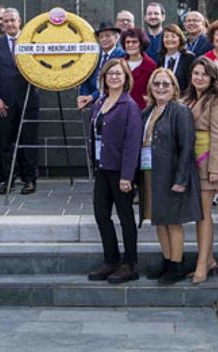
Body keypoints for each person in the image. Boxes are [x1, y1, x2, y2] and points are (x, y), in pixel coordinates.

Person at [140, 67, 200, 285]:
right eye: (157, 84)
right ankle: (167, 261)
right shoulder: (148, 111)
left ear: (174, 87)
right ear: (150, 87)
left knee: (173, 221)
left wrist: (181, 179)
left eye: (166, 84)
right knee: (159, 220)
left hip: (171, 174)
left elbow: (187, 147)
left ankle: (177, 265)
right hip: (151, 173)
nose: (161, 88)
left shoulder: (180, 111)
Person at [86, 58, 143, 284]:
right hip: (102, 169)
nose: (114, 77)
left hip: (121, 172)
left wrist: (127, 176)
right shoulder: (99, 103)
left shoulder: (129, 106)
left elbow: (132, 143)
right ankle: (111, 260)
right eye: (110, 74)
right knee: (101, 215)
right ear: (104, 78)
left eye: (119, 73)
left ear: (126, 77)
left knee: (125, 218)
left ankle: (129, 264)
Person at [182, 57, 218, 283]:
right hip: (189, 162)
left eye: (204, 74)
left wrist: (216, 167)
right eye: (196, 73)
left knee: (204, 213)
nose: (199, 77)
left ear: (211, 78)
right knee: (198, 213)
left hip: (208, 161)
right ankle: (208, 259)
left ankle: (203, 263)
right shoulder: (187, 98)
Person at [0, 8, 40, 195]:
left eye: (13, 20)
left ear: (20, 21)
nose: (9, 24)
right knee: (6, 143)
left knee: (28, 141)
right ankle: (8, 179)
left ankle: (29, 180)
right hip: (6, 103)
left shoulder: (31, 41)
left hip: (28, 100)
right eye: (6, 21)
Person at [77, 22, 127, 109]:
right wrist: (84, 96)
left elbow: (114, 82)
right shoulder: (94, 57)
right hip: (93, 104)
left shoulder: (122, 56)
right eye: (101, 37)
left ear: (116, 37)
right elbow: (86, 77)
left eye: (108, 36)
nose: (104, 39)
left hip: (113, 102)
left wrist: (92, 96)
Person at [121, 27, 158, 108]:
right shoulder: (119, 64)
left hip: (142, 111)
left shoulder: (151, 66)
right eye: (127, 42)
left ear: (141, 44)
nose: (130, 45)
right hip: (121, 109)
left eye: (134, 42)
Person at [156, 23, 196, 92]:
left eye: (173, 36)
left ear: (180, 39)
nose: (170, 39)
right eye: (166, 36)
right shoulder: (160, 58)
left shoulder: (189, 58)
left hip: (184, 100)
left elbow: (192, 84)